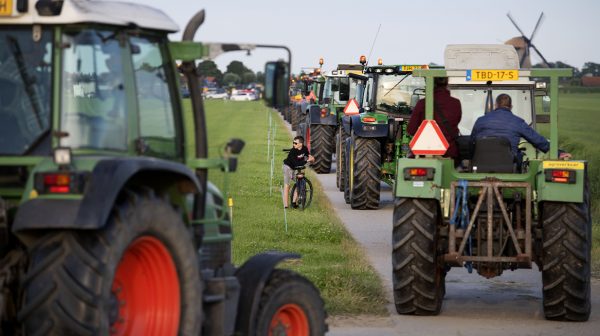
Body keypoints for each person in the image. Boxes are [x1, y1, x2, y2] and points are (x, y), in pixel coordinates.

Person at [471, 93, 570, 164]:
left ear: (495, 105)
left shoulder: (480, 120)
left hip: (480, 163)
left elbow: (471, 142)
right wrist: (558, 152)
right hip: (508, 165)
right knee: (520, 156)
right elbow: (537, 140)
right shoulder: (517, 122)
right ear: (511, 106)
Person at [408, 77, 462, 158]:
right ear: (447, 83)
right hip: (449, 153)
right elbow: (456, 122)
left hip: (424, 154)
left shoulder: (422, 104)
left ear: (429, 84)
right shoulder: (455, 103)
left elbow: (411, 130)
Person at [283, 136, 314, 208]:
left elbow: (308, 156)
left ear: (301, 144)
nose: (293, 144)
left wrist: (312, 158)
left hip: (295, 168)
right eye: (293, 143)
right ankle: (286, 206)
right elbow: (296, 163)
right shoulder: (292, 151)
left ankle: (294, 202)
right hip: (288, 167)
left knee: (299, 183)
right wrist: (306, 161)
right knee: (287, 185)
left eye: (295, 143)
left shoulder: (305, 149)